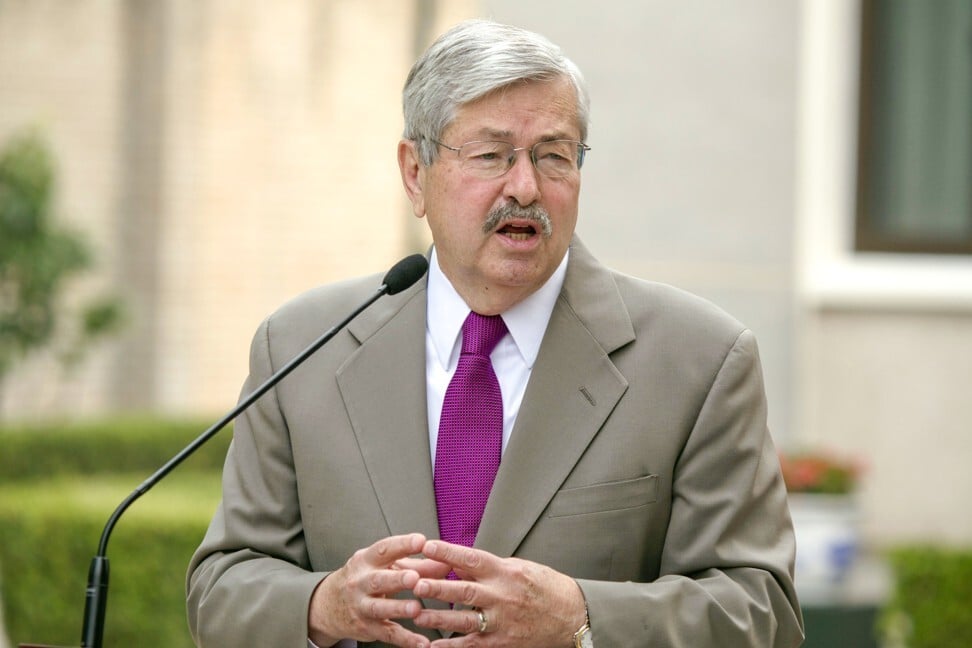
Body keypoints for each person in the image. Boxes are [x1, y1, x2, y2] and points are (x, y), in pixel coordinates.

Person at [187, 18, 804, 648]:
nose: (526, 187)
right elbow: (223, 589)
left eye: (554, 155)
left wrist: (581, 618)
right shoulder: (299, 348)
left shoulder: (698, 360)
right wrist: (325, 605)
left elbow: (763, 612)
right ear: (413, 173)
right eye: (490, 155)